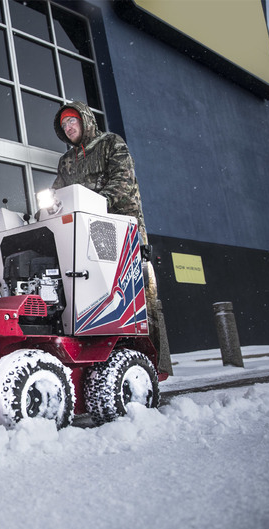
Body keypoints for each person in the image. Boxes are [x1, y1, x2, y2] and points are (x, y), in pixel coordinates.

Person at [52, 101, 173, 376]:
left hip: (120, 227)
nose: (69, 127)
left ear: (84, 120)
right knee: (93, 294)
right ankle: (103, 358)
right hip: (85, 232)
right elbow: (58, 192)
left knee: (140, 299)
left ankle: (155, 364)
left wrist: (98, 202)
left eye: (72, 121)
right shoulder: (66, 161)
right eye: (64, 126)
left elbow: (123, 179)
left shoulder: (111, 144)